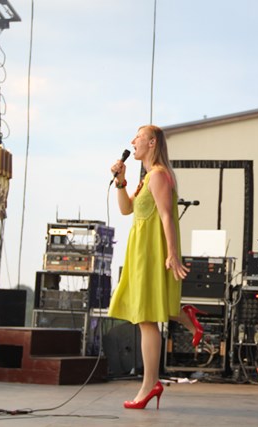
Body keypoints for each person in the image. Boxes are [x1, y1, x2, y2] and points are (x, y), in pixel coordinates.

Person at [108, 124, 204, 410]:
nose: (132, 141)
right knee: (145, 311)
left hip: (152, 252)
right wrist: (121, 182)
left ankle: (150, 385)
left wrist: (172, 253)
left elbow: (166, 217)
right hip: (140, 252)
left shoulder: (159, 175)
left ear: (151, 143)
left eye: (138, 137)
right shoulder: (147, 177)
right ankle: (185, 318)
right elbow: (126, 209)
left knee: (147, 317)